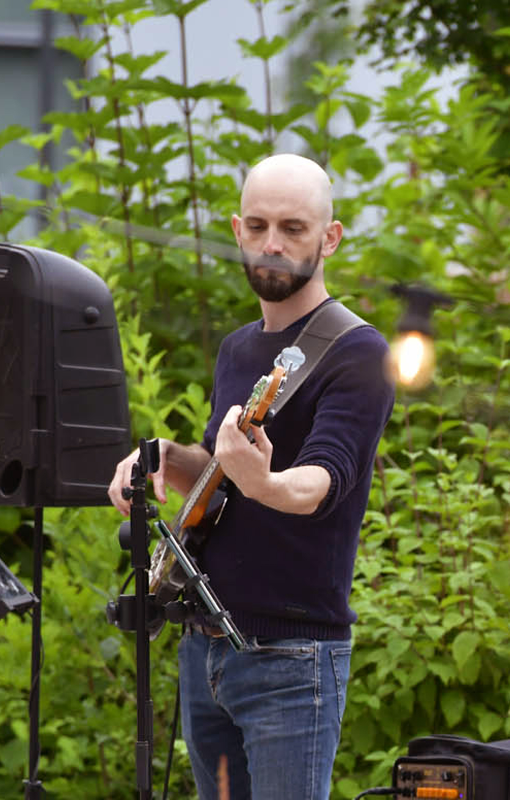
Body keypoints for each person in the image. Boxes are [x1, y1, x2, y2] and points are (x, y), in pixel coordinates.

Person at [106, 153, 396, 800]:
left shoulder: (359, 354)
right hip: (204, 641)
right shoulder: (238, 349)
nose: (273, 243)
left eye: (293, 228)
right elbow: (221, 479)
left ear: (330, 238)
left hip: (293, 656)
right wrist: (157, 458)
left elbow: (323, 482)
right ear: (236, 229)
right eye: (258, 225)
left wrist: (266, 482)